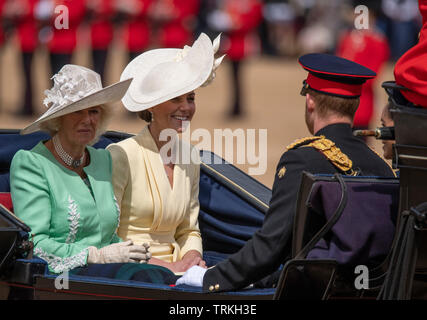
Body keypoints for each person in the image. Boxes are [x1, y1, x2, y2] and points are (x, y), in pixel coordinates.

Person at [176, 53, 396, 292]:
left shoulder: (302, 159)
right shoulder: (380, 166)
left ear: (310, 101)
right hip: (371, 290)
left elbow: (271, 246)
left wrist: (210, 278)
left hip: (314, 290)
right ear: (354, 105)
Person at [9, 65, 157, 277]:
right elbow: (35, 244)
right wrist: (95, 256)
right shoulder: (31, 164)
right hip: (60, 280)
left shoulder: (103, 159)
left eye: (94, 111)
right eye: (77, 111)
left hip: (106, 274)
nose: (87, 120)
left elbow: (104, 236)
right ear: (58, 118)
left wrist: (129, 250)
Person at [107, 33, 224, 275]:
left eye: (190, 98)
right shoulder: (121, 155)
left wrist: (192, 257)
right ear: (152, 104)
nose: (186, 107)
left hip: (180, 272)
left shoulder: (190, 156)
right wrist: (166, 267)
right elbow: (106, 236)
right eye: (175, 99)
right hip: (129, 272)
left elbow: (188, 230)